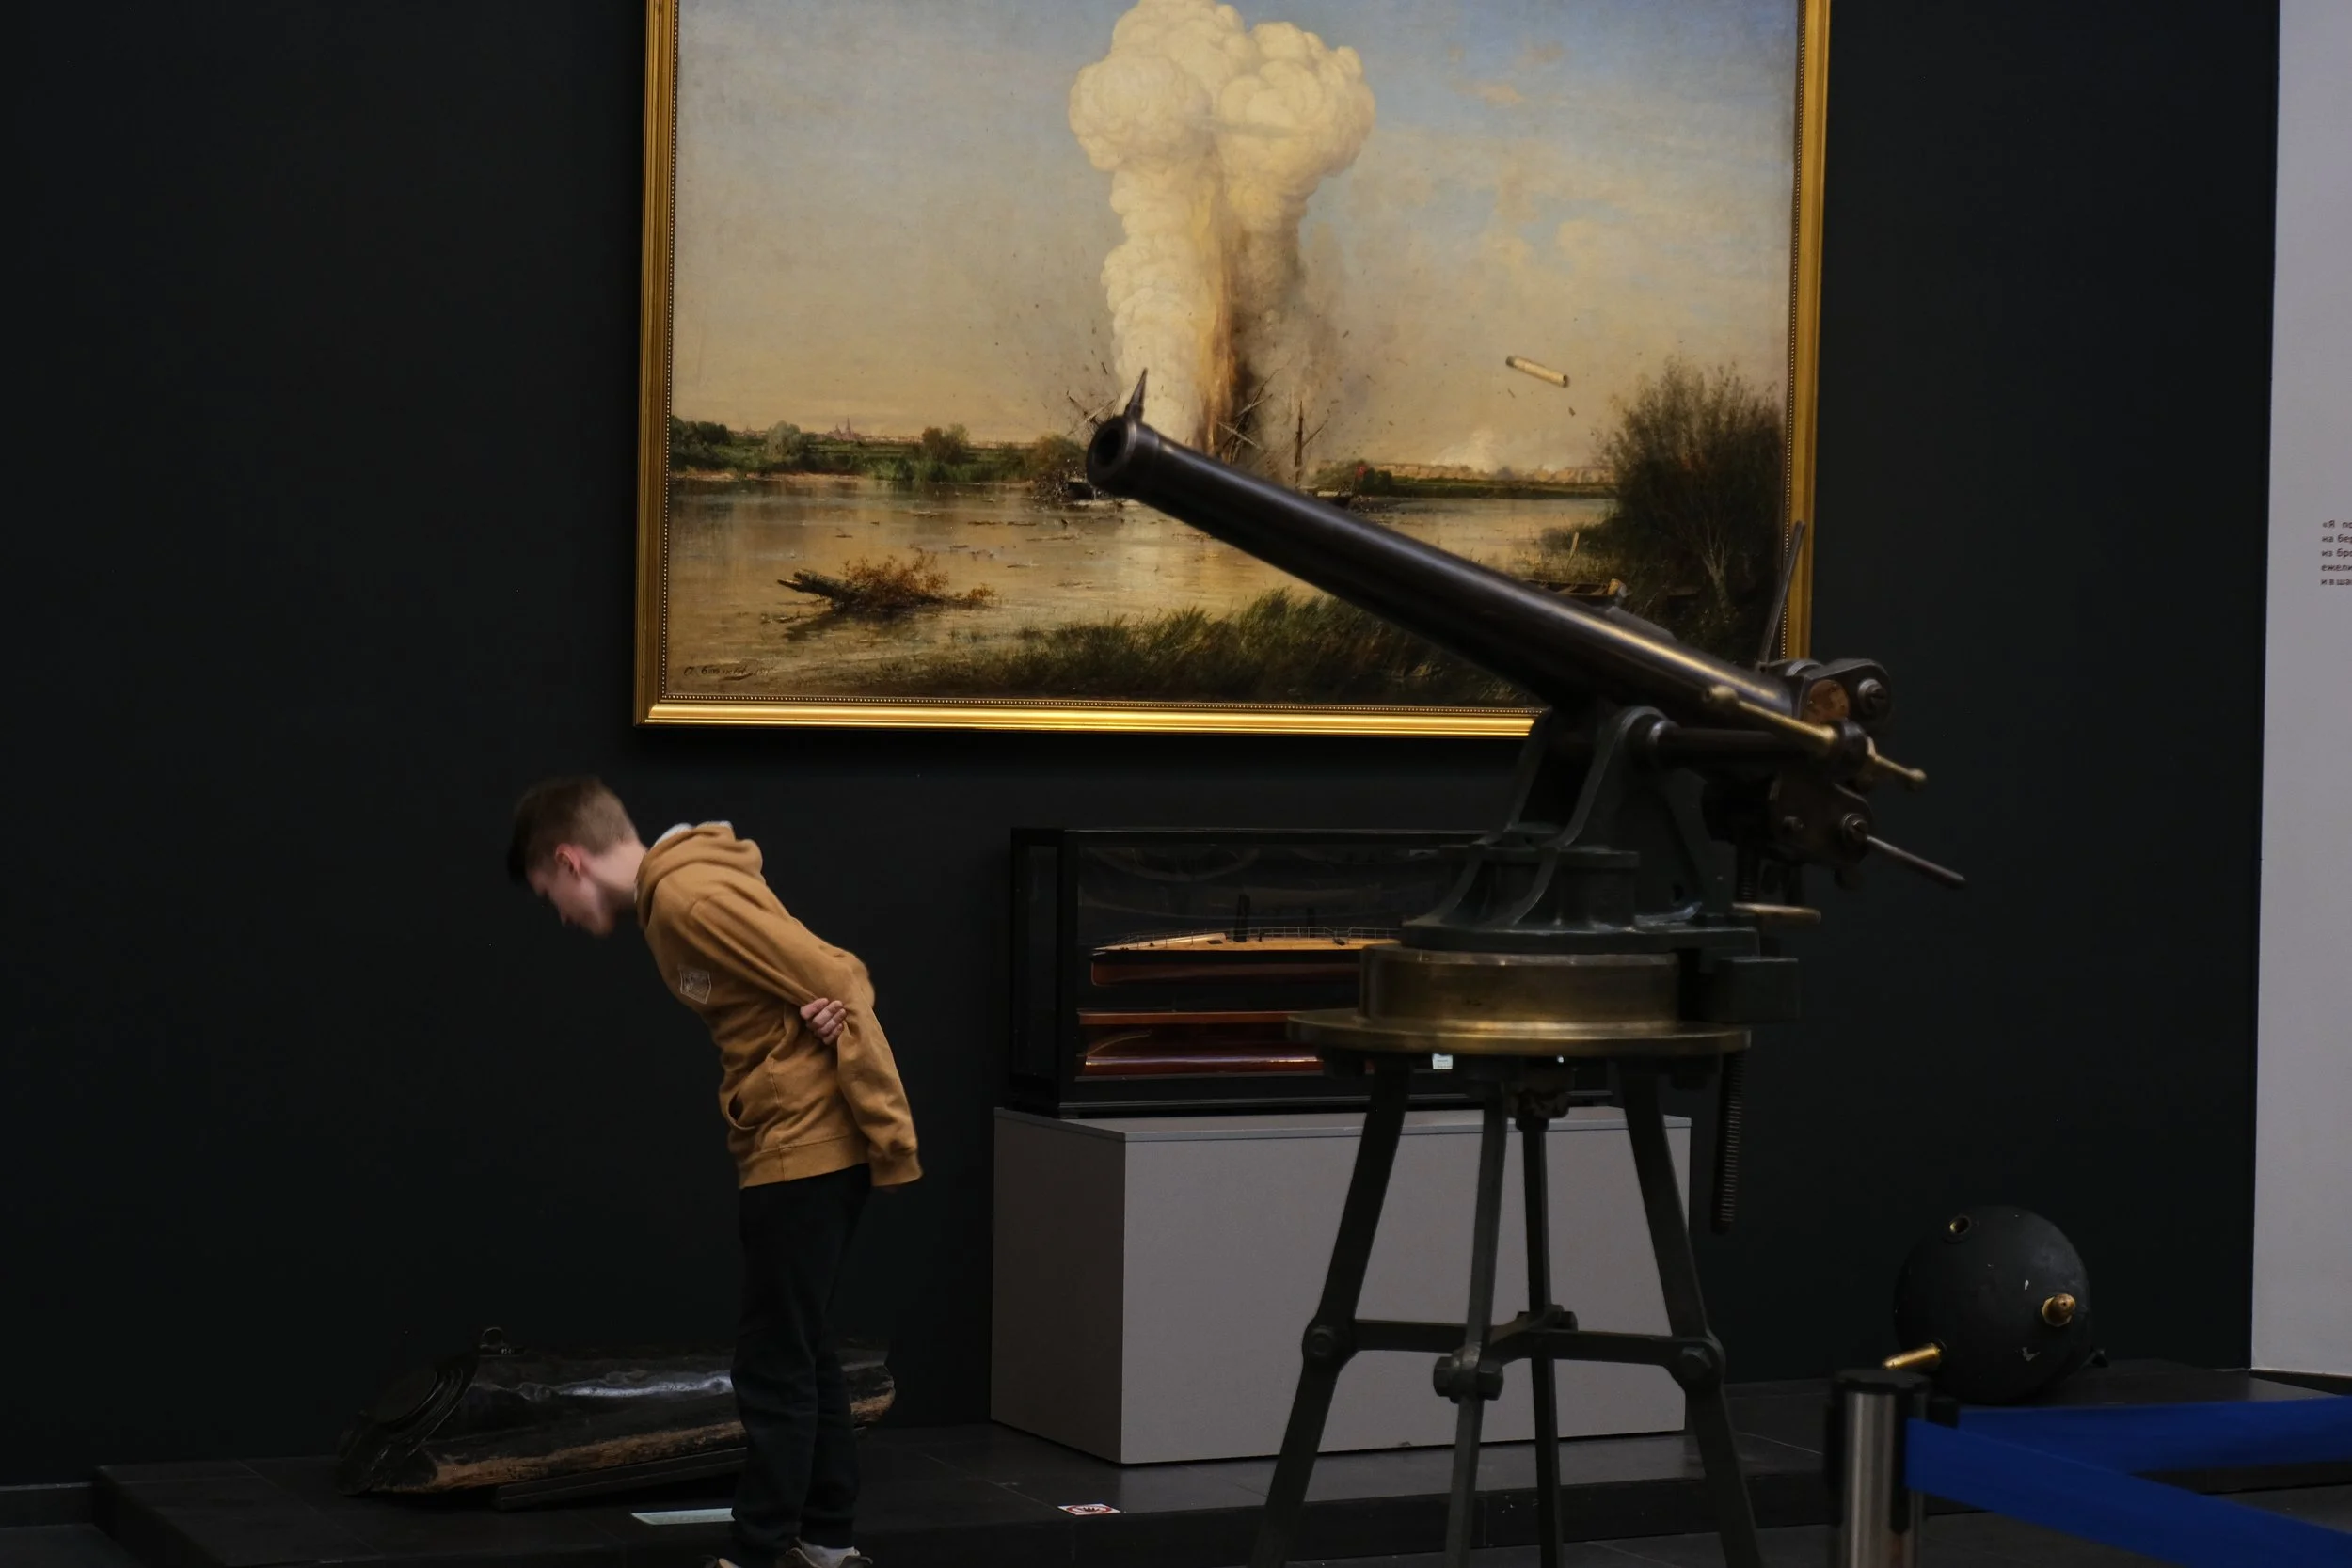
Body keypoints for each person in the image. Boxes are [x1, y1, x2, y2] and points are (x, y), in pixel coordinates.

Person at [508, 777, 918, 1568]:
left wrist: (832, 1003)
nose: (558, 911)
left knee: (770, 1361)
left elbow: (840, 975)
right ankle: (828, 1544)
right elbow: (800, 976)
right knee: (802, 1348)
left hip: (803, 1144)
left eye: (547, 891)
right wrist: (806, 1005)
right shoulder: (679, 894)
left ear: (569, 859)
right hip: (797, 1141)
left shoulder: (687, 896)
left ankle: (759, 1551)